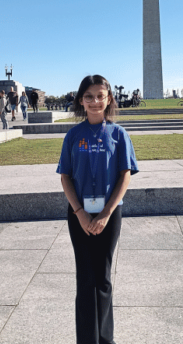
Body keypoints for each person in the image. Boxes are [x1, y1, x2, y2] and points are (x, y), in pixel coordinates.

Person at [57, 75, 138, 344]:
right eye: (89, 96)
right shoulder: (73, 135)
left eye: (100, 95)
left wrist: (105, 214)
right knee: (85, 278)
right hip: (78, 213)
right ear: (81, 100)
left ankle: (106, 339)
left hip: (109, 213)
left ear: (109, 99)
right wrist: (80, 212)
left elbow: (125, 174)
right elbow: (65, 176)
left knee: (103, 278)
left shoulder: (118, 134)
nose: (94, 101)